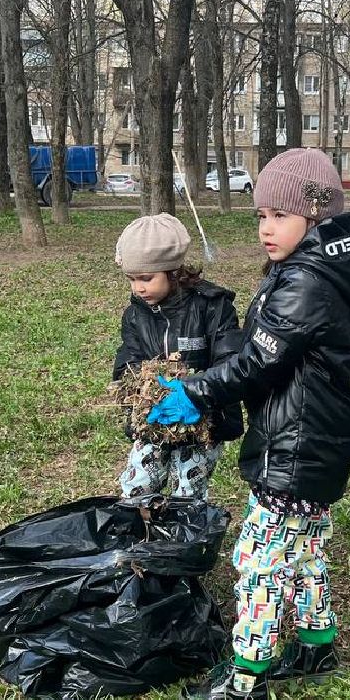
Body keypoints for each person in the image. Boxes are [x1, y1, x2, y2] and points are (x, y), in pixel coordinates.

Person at [149, 149, 350, 700]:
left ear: (316, 216)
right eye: (260, 216)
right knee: (304, 551)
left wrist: (195, 392)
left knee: (260, 560)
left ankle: (246, 678)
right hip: (312, 438)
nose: (266, 228)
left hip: (295, 444)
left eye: (279, 215)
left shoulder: (308, 283)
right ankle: (318, 646)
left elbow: (257, 361)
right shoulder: (309, 269)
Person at [113, 213, 242, 500]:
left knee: (188, 491)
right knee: (138, 486)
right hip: (155, 418)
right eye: (132, 279)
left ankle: (184, 540)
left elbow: (230, 360)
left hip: (201, 418)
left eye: (146, 278)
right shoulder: (135, 314)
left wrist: (199, 394)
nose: (138, 288)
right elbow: (127, 361)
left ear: (173, 271)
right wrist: (143, 391)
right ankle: (143, 536)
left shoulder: (212, 306)